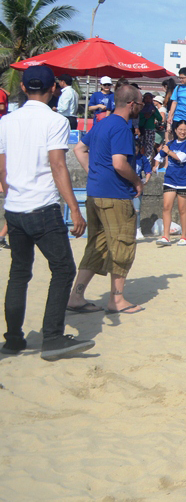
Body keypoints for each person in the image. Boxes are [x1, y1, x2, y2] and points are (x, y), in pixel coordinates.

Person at [0, 65, 92, 359]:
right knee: (64, 269)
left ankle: (14, 339)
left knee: (19, 273)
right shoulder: (55, 121)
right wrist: (75, 210)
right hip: (42, 207)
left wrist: (12, 193)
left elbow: (2, 169)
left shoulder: (7, 121)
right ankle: (52, 337)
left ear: (24, 88)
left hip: (14, 207)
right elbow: (57, 166)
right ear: (54, 89)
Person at [67, 83, 145, 315]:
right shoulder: (121, 127)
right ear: (131, 104)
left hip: (95, 193)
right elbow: (120, 163)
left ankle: (76, 296)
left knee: (97, 245)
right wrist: (137, 181)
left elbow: (79, 149)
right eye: (140, 103)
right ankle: (117, 299)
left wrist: (94, 172)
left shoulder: (102, 124)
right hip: (115, 195)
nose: (141, 107)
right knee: (122, 243)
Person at [156, 121, 186, 247]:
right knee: (166, 207)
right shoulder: (170, 143)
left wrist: (167, 152)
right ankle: (166, 236)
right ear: (175, 130)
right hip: (170, 179)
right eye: (180, 129)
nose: (182, 132)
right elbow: (158, 156)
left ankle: (183, 236)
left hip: (185, 181)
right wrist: (156, 164)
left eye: (185, 130)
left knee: (182, 209)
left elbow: (181, 157)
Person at [132, 139, 152, 240]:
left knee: (137, 210)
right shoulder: (126, 157)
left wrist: (146, 181)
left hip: (137, 186)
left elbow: (148, 171)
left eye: (136, 150)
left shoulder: (142, 158)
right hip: (126, 186)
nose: (134, 152)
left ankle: (137, 229)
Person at [137, 93, 162, 170]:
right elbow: (138, 120)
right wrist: (145, 117)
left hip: (150, 130)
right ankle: (140, 164)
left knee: (149, 147)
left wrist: (154, 112)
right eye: (146, 98)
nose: (148, 100)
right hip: (142, 130)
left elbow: (160, 118)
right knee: (140, 147)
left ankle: (147, 166)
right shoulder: (141, 108)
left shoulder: (153, 108)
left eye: (149, 98)